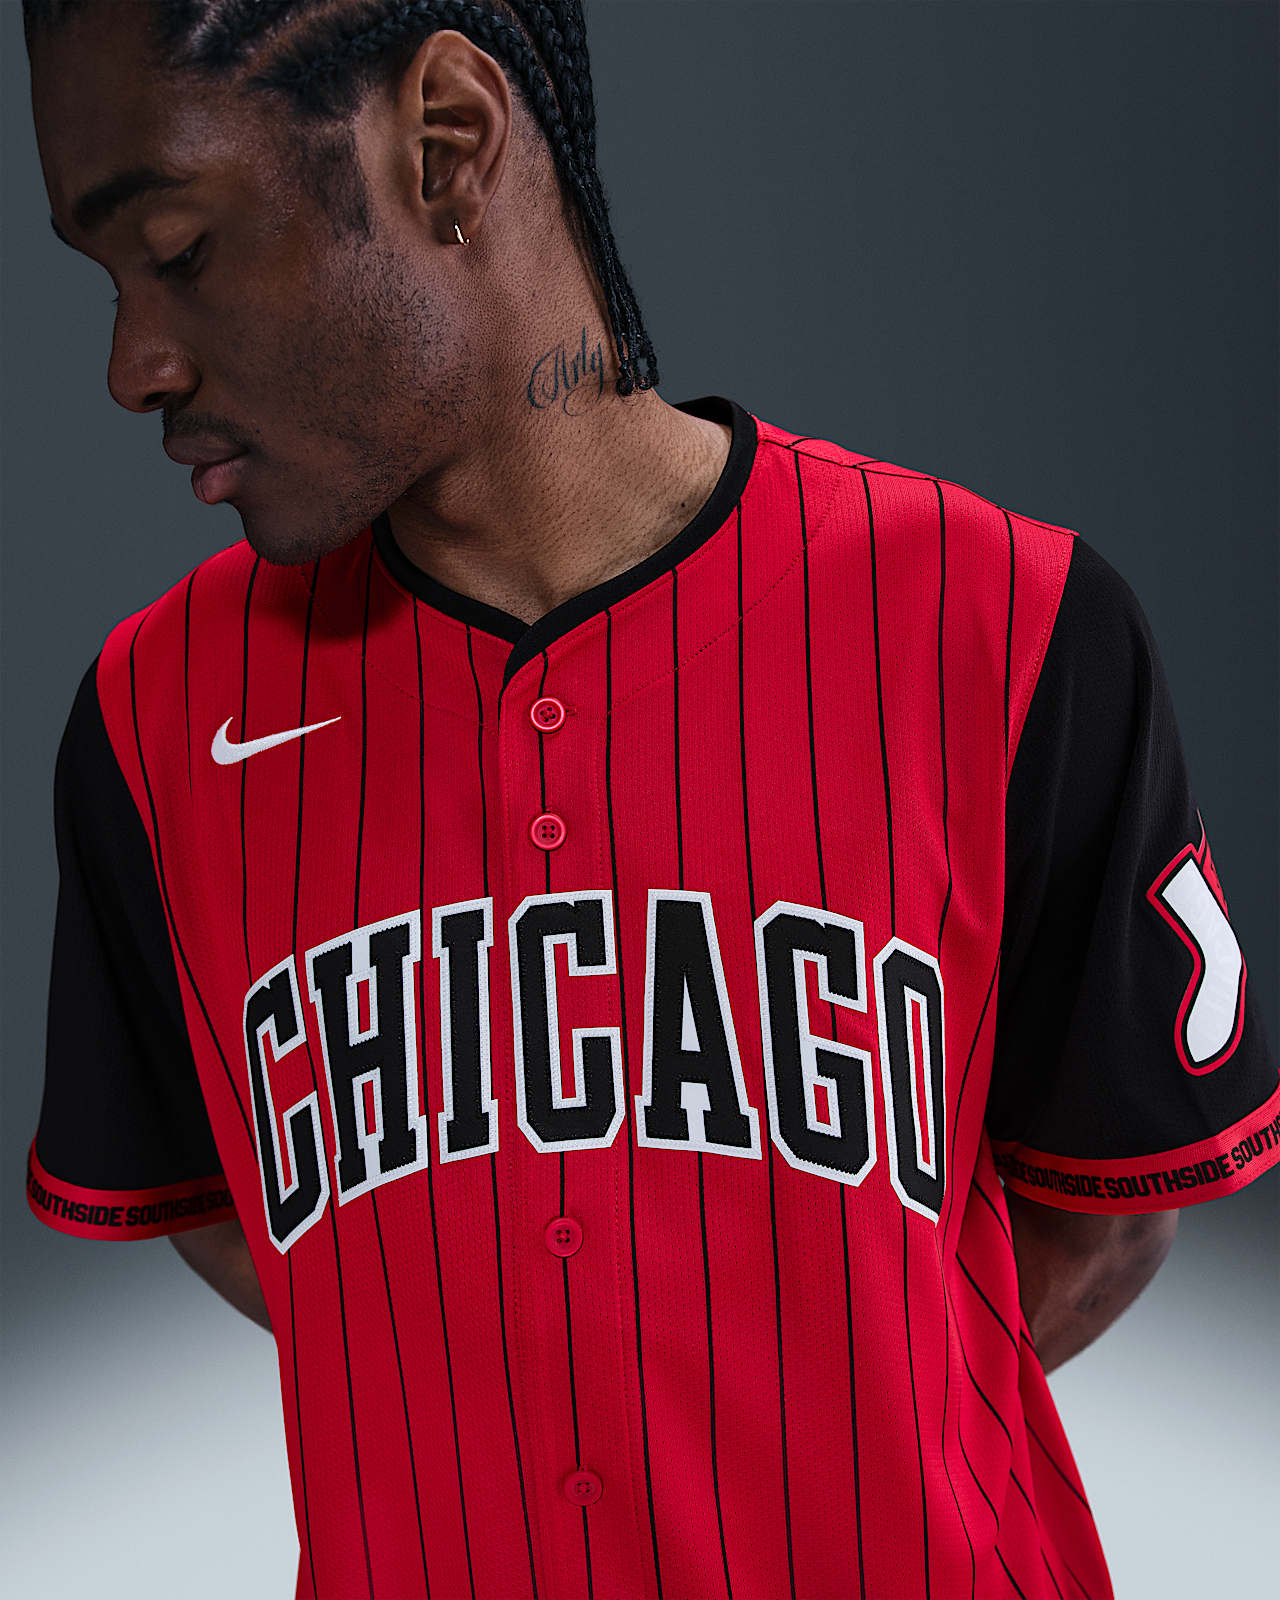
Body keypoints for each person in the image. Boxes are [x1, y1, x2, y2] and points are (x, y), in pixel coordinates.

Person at [21, 2, 1277, 1597]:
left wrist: (805, 1428)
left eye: (180, 251)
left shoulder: (1011, 621)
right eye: (112, 280)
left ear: (447, 140)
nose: (135, 364)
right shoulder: (155, 719)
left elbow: (1106, 1219)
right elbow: (246, 1225)